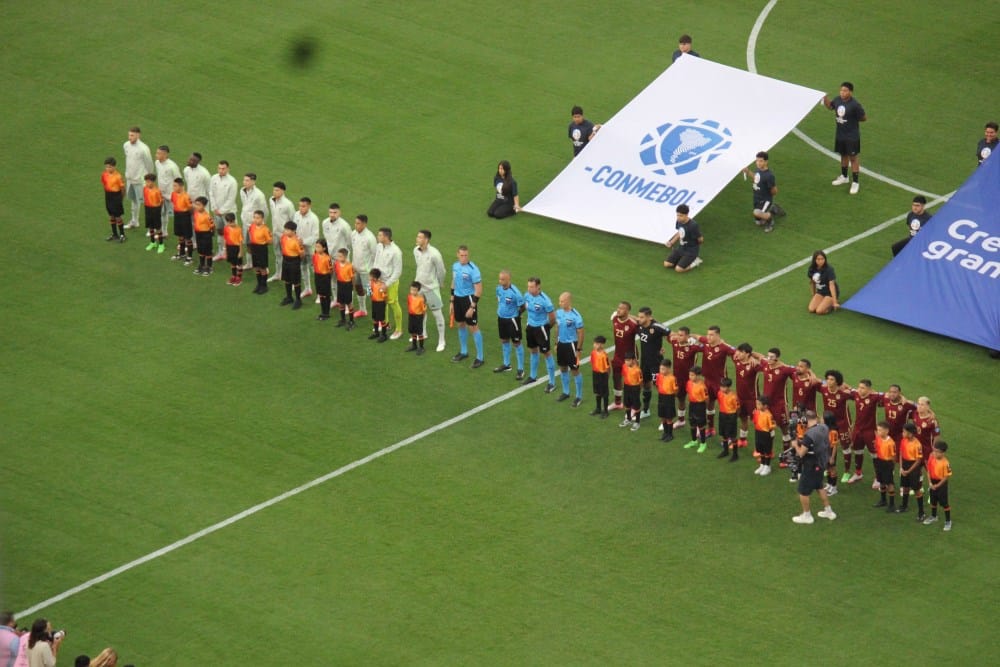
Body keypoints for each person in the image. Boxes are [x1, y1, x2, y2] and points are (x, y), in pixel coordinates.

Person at [791, 410, 837, 523]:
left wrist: (796, 445)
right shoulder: (824, 428)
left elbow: (801, 453)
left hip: (811, 465)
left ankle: (807, 516)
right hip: (821, 462)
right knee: (819, 487)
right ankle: (829, 511)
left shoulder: (809, 435)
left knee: (803, 491)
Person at [823, 81, 867, 195]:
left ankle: (855, 182)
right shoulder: (837, 100)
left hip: (852, 136)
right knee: (843, 155)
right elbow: (830, 106)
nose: (842, 93)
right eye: (841, 90)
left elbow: (864, 117)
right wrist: (825, 98)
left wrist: (852, 120)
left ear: (850, 92)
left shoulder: (855, 105)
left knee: (853, 158)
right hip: (840, 134)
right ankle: (844, 176)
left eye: (845, 91)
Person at [449, 245, 484, 366]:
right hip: (457, 299)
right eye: (462, 255)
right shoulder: (455, 266)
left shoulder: (473, 269)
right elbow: (453, 282)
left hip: (468, 300)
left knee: (473, 326)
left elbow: (479, 289)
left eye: (466, 255)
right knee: (461, 324)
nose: (464, 257)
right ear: (457, 254)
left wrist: (472, 307)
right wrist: (452, 301)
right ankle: (464, 351)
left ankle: (480, 357)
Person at [695, 325, 733, 436]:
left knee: (726, 409)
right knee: (708, 404)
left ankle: (729, 435)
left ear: (718, 335)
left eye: (711, 335)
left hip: (721, 384)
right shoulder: (706, 342)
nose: (709, 337)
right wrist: (689, 336)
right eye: (708, 334)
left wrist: (752, 359)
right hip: (707, 381)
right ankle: (710, 429)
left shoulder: (724, 347)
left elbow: (737, 353)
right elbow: (697, 336)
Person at [413, 229, 447, 352]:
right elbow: (419, 266)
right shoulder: (415, 250)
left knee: (437, 314)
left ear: (426, 240)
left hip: (432, 289)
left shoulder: (435, 254)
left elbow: (441, 270)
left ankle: (442, 340)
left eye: (420, 237)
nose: (417, 239)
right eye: (417, 237)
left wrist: (440, 283)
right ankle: (423, 333)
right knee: (419, 312)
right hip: (419, 288)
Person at [522, 276, 557, 391]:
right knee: (533, 350)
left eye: (531, 287)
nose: (529, 289)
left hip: (541, 329)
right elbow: (524, 307)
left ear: (538, 287)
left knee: (546, 353)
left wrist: (546, 328)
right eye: (528, 286)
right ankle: (533, 376)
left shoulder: (545, 301)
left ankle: (552, 382)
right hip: (530, 327)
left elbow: (552, 318)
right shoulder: (527, 296)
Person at [635, 307, 671, 417]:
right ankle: (646, 410)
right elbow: (633, 319)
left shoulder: (656, 326)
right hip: (645, 362)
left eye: (642, 317)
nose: (639, 319)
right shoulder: (639, 326)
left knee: (660, 388)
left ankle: (666, 415)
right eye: (639, 316)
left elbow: (669, 332)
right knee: (646, 385)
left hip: (656, 363)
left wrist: (669, 343)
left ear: (649, 317)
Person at [553, 292, 585, 407]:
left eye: (562, 301)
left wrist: (579, 348)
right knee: (562, 368)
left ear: (568, 301)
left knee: (575, 370)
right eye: (559, 301)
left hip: (572, 345)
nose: (560, 303)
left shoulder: (576, 316)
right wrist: (556, 342)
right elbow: (557, 327)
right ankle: (566, 392)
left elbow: (581, 333)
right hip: (561, 344)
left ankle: (579, 396)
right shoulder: (559, 313)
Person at [741, 151, 784, 232]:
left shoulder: (769, 176)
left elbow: (774, 191)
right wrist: (748, 172)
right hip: (757, 198)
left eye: (760, 161)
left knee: (756, 212)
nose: (758, 163)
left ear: (766, 162)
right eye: (757, 161)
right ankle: (773, 209)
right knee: (758, 222)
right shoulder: (758, 170)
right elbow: (756, 178)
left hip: (765, 199)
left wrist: (767, 197)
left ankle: (770, 221)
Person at [374, 227, 404, 339]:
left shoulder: (396, 251)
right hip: (379, 281)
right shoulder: (379, 246)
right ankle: (385, 324)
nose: (378, 237)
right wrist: (373, 276)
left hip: (390, 283)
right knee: (382, 303)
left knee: (393, 304)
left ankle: (399, 329)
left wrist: (387, 284)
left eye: (379, 235)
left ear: (386, 237)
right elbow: (376, 261)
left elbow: (398, 271)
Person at [669, 326, 702, 427]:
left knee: (695, 403)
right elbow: (668, 334)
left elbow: (706, 346)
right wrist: (673, 335)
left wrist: (695, 339)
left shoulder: (693, 348)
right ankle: (681, 420)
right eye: (678, 335)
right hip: (678, 378)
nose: (679, 337)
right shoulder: (675, 343)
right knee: (680, 399)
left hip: (691, 380)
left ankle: (698, 425)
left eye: (681, 335)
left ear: (687, 336)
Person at [495, 270, 526, 378]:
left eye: (502, 279)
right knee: (504, 340)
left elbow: (523, 306)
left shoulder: (515, 293)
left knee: (516, 342)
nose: (500, 281)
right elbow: (499, 300)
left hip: (512, 320)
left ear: (508, 279)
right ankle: (507, 364)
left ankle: (521, 369)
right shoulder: (498, 289)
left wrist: (517, 314)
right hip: (501, 318)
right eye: (499, 279)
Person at [609, 302, 640, 410]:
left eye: (622, 308)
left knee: (631, 383)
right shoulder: (614, 318)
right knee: (616, 378)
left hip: (630, 357)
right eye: (618, 308)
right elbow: (615, 314)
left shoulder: (633, 325)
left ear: (627, 311)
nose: (618, 310)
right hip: (617, 355)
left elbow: (645, 333)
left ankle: (633, 406)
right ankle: (617, 402)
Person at [122, 126, 153, 229]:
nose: (130, 137)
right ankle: (134, 221)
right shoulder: (126, 145)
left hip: (140, 181)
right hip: (130, 179)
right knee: (133, 201)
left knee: (147, 204)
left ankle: (151, 228)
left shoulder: (144, 149)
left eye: (132, 135)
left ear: (138, 135)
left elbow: (149, 164)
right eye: (129, 135)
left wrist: (149, 179)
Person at [731, 343, 760, 448]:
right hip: (740, 397)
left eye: (741, 352)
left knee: (757, 423)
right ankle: (743, 440)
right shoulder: (736, 360)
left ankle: (760, 448)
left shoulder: (754, 365)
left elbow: (766, 362)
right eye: (738, 351)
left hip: (752, 399)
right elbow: (728, 347)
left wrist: (754, 356)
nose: (737, 353)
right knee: (742, 418)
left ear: (747, 354)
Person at [209, 160, 237, 261]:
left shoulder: (232, 181)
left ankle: (233, 254)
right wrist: (214, 208)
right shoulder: (214, 178)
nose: (221, 170)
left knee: (231, 234)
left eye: (223, 168)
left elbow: (231, 199)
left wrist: (221, 211)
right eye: (219, 168)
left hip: (228, 213)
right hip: (216, 211)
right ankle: (221, 252)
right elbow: (211, 193)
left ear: (228, 169)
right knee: (220, 231)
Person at [323, 204, 352, 301]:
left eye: (335, 212)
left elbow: (349, 242)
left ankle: (349, 302)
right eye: (330, 212)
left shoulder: (344, 226)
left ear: (339, 213)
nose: (332, 214)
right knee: (333, 278)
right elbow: (327, 239)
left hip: (343, 259)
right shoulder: (325, 223)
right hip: (331, 257)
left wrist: (344, 256)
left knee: (346, 282)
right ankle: (336, 299)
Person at [894, 422, 924, 517]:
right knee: (905, 487)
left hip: (914, 468)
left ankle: (921, 512)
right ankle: (904, 506)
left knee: (917, 490)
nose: (902, 433)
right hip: (905, 465)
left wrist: (908, 471)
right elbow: (901, 453)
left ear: (910, 433)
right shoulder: (903, 440)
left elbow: (918, 461)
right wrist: (901, 467)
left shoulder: (917, 445)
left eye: (904, 432)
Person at [267, 181, 295, 282]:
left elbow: (292, 220)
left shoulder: (288, 204)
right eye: (274, 190)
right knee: (277, 253)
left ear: (283, 191)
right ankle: (278, 274)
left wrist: (290, 235)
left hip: (285, 235)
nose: (274, 192)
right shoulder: (271, 200)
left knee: (287, 256)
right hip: (275, 232)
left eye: (277, 190)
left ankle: (288, 276)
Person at [351, 214, 377, 318]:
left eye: (358, 223)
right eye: (355, 223)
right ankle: (363, 310)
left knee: (370, 292)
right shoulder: (353, 234)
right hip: (356, 268)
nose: (356, 225)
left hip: (366, 271)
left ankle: (377, 311)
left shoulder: (370, 238)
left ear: (364, 224)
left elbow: (374, 254)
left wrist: (373, 271)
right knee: (358, 287)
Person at [293, 197, 320, 298]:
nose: (301, 208)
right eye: (299, 206)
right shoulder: (296, 215)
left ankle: (319, 294)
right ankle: (307, 288)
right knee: (303, 267)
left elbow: (315, 236)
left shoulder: (313, 218)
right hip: (300, 249)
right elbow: (294, 230)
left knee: (315, 272)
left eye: (303, 206)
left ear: (309, 206)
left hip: (311, 250)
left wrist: (303, 241)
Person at [663, 204, 703, 272]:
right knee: (667, 264)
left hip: (690, 251)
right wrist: (671, 242)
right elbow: (679, 232)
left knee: (678, 269)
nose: (678, 217)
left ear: (686, 215)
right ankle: (682, 260)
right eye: (677, 215)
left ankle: (696, 261)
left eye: (681, 215)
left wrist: (694, 246)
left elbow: (701, 239)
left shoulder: (693, 225)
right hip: (680, 248)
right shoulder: (679, 221)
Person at [239, 173, 267, 269]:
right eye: (244, 180)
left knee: (257, 246)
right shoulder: (242, 191)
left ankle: (260, 264)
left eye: (247, 180)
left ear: (253, 182)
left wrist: (261, 224)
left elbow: (264, 211)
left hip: (255, 225)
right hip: (245, 223)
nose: (245, 182)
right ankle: (249, 263)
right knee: (247, 243)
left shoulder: (259, 195)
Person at [923, 442, 953, 531]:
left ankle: (948, 521)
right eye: (934, 451)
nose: (935, 453)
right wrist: (930, 483)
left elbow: (946, 476)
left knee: (944, 503)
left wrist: (937, 485)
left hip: (941, 483)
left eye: (937, 452)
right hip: (932, 482)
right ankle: (933, 516)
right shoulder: (931, 458)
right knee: (933, 500)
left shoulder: (945, 463)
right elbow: (928, 470)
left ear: (943, 453)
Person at [278, 220, 305, 309]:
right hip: (285, 260)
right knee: (287, 280)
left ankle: (298, 300)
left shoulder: (297, 241)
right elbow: (282, 246)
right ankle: (289, 297)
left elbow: (302, 254)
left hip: (294, 261)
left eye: (287, 230)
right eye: (285, 229)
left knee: (296, 281)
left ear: (293, 231)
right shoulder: (283, 237)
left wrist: (297, 260)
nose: (285, 231)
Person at [154, 145, 181, 233]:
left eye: (159, 153)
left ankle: (181, 235)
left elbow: (179, 180)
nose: (156, 155)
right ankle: (164, 231)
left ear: (165, 155)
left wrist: (177, 194)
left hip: (171, 195)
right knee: (162, 213)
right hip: (161, 194)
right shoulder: (157, 163)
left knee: (176, 215)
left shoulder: (172, 166)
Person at [872, 421, 897, 510]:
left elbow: (894, 456)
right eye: (878, 430)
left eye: (880, 430)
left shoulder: (891, 443)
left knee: (889, 483)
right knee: (881, 481)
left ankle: (892, 504)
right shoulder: (878, 438)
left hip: (887, 464)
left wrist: (892, 467)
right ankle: (883, 500)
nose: (878, 432)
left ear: (886, 431)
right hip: (879, 462)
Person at [682, 366, 709, 452]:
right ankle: (694, 441)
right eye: (690, 375)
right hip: (692, 405)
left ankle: (703, 443)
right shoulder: (689, 383)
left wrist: (705, 408)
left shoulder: (702, 386)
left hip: (700, 406)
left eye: (692, 375)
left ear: (698, 375)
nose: (690, 377)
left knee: (701, 425)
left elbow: (706, 399)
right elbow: (688, 392)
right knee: (692, 423)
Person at [101, 157, 126, 242]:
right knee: (111, 215)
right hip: (108, 196)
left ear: (114, 167)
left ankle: (122, 234)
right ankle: (115, 234)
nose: (108, 168)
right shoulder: (104, 174)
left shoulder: (118, 176)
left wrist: (121, 198)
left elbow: (123, 188)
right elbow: (104, 184)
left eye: (110, 167)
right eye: (107, 167)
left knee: (118, 216)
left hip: (116, 196)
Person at [247, 210, 273, 294]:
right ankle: (259, 284)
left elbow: (270, 241)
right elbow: (250, 235)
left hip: (262, 249)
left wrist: (263, 242)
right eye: (254, 217)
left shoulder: (265, 229)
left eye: (258, 218)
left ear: (262, 219)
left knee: (262, 267)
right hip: (254, 247)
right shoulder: (252, 226)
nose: (255, 219)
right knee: (256, 267)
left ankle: (264, 286)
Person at [169, 178, 194, 264]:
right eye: (173, 185)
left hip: (185, 216)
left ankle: (190, 257)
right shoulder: (173, 194)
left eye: (175, 186)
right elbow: (173, 202)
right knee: (180, 235)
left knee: (187, 237)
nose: (173, 187)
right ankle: (182, 253)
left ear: (181, 186)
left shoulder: (186, 196)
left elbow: (191, 208)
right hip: (177, 215)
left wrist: (187, 215)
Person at [807, 250, 839, 314]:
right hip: (821, 292)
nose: (821, 261)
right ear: (814, 260)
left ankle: (832, 303)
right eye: (818, 259)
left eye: (822, 259)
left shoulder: (829, 269)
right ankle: (825, 302)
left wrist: (835, 302)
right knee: (811, 309)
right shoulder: (812, 269)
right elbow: (812, 282)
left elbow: (832, 285)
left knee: (819, 311)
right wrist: (814, 294)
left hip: (829, 293)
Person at [716, 377, 739, 460]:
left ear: (728, 387)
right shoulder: (719, 393)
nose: (722, 388)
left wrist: (734, 417)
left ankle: (735, 454)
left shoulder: (733, 397)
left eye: (724, 387)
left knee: (732, 436)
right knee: (723, 434)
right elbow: (720, 402)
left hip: (731, 416)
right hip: (722, 415)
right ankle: (725, 451)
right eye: (721, 386)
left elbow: (738, 408)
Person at [191, 196, 215, 275]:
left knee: (207, 251)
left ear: (204, 206)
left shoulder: (207, 216)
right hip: (198, 234)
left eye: (199, 205)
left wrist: (210, 234)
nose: (197, 206)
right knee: (200, 250)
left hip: (206, 234)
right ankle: (201, 265)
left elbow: (212, 225)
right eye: (196, 204)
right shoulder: (196, 213)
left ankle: (209, 267)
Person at [655, 359, 678, 441]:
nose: (661, 371)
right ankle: (665, 433)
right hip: (661, 397)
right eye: (660, 369)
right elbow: (657, 385)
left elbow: (675, 390)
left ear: (669, 369)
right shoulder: (659, 376)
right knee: (662, 416)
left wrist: (670, 395)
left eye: (663, 369)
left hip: (669, 398)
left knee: (669, 417)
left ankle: (670, 434)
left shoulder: (672, 378)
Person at [619, 353, 642, 431]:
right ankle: (628, 419)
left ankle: (637, 422)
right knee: (627, 403)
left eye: (628, 360)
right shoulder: (624, 366)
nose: (626, 362)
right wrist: (622, 386)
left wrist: (638, 390)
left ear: (633, 360)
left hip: (635, 388)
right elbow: (623, 376)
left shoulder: (637, 370)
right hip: (626, 387)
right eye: (625, 360)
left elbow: (640, 382)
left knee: (636, 405)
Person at [333, 248, 356, 329]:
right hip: (340, 284)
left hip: (347, 285)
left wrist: (353, 286)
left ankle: (352, 321)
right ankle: (343, 320)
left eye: (340, 256)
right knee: (341, 303)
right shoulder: (336, 264)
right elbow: (335, 272)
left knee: (349, 303)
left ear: (345, 257)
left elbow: (352, 277)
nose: (339, 258)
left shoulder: (349, 266)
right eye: (338, 256)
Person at [752, 397, 776, 476]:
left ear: (765, 406)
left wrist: (771, 436)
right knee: (761, 450)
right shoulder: (756, 412)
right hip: (758, 433)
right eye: (757, 404)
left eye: (759, 404)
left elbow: (772, 426)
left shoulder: (769, 415)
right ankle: (762, 465)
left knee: (767, 451)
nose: (757, 406)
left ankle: (767, 466)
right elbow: (754, 422)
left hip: (766, 434)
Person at [142, 173, 165, 252]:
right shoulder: (145, 188)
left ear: (153, 182)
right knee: (150, 227)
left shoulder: (157, 191)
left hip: (155, 210)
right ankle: (153, 242)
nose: (147, 183)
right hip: (147, 209)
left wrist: (158, 209)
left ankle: (161, 244)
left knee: (158, 228)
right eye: (146, 182)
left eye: (148, 182)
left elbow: (161, 201)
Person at [312, 239, 333, 320]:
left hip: (325, 277)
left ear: (324, 248)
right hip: (317, 276)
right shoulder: (315, 255)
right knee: (320, 294)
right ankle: (323, 312)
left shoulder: (327, 258)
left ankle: (326, 313)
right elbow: (314, 264)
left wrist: (327, 277)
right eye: (316, 246)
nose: (316, 248)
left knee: (325, 295)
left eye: (318, 247)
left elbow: (331, 270)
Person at [405, 281, 428, 354]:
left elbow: (423, 309)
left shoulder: (421, 299)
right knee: (412, 330)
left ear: (418, 290)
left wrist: (422, 317)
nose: (412, 291)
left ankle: (421, 347)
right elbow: (408, 305)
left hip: (418, 317)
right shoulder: (409, 297)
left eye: (414, 290)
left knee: (419, 332)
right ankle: (414, 345)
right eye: (411, 289)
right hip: (411, 316)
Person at [590, 335, 610, 418]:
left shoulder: (604, 355)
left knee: (604, 394)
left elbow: (608, 368)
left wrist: (606, 378)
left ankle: (605, 411)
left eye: (596, 343)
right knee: (597, 392)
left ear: (601, 345)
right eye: (594, 343)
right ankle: (598, 408)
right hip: (595, 374)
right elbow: (592, 363)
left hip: (603, 375)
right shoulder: (593, 353)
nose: (594, 345)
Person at [222, 213, 243, 286]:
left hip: (236, 248)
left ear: (234, 220)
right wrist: (225, 250)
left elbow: (240, 241)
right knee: (232, 263)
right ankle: (233, 276)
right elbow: (225, 239)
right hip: (229, 248)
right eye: (229, 222)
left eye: (232, 222)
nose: (231, 224)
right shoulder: (226, 228)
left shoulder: (239, 229)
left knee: (238, 264)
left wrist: (240, 251)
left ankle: (239, 278)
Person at [367, 268, 388, 342]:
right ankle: (376, 333)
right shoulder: (371, 283)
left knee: (382, 319)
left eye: (370, 276)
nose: (369, 277)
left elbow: (385, 296)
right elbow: (369, 294)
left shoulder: (382, 285)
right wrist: (369, 287)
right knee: (375, 318)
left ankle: (384, 335)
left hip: (380, 303)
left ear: (374, 277)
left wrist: (384, 303)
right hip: (374, 302)